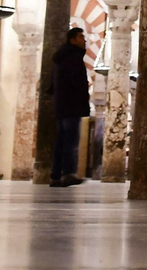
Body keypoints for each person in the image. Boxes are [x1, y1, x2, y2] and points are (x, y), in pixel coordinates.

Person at [49, 27, 91, 187]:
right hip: (71, 106)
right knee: (70, 141)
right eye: (81, 37)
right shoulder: (73, 57)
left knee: (61, 141)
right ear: (72, 40)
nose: (84, 40)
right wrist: (82, 100)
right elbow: (76, 84)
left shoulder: (61, 58)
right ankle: (68, 173)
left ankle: (55, 175)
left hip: (61, 106)